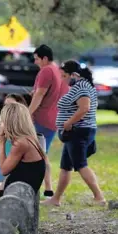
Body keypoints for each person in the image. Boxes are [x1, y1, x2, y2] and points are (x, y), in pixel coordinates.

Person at [42, 60, 106, 206]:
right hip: (74, 132)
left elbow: (84, 108)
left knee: (81, 165)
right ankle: (56, 199)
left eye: (64, 76)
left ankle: (99, 196)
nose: (63, 80)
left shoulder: (82, 86)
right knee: (65, 166)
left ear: (74, 75)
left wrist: (69, 122)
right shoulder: (80, 86)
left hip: (78, 131)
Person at [29, 44, 63, 198]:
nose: (35, 62)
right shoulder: (56, 69)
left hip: (42, 119)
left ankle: (34, 187)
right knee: (43, 154)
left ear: (45, 58)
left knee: (35, 155)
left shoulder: (46, 70)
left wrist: (28, 113)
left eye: (37, 59)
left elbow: (40, 94)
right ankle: (48, 189)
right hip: (53, 118)